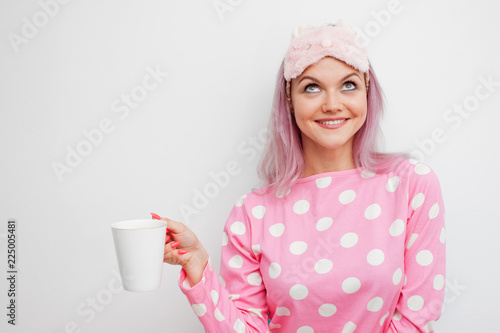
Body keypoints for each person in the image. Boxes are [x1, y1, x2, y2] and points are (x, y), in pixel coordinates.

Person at [153, 20, 446, 333]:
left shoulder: (412, 185)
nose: (332, 105)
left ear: (367, 93)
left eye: (349, 85)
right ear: (290, 100)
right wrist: (198, 264)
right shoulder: (252, 213)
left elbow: (417, 318)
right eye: (312, 87)